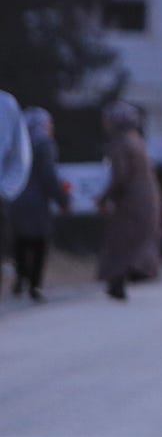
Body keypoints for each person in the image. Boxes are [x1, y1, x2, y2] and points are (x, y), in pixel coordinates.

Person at [97, 102, 161, 301]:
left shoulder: (121, 143)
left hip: (131, 201)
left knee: (121, 240)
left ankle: (118, 280)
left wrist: (104, 197)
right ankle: (123, 279)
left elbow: (121, 176)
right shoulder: (136, 140)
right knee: (133, 241)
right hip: (146, 199)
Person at [10, 107, 67, 300]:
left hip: (16, 199)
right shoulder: (44, 144)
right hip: (38, 201)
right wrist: (62, 198)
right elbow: (48, 176)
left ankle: (20, 278)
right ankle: (35, 284)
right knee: (39, 242)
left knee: (21, 240)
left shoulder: (16, 143)